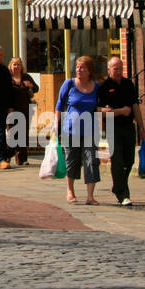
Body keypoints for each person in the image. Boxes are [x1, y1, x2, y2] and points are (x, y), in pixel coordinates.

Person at [98, 55, 145, 206]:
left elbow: (135, 106)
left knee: (129, 160)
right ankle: (123, 194)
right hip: (113, 127)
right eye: (115, 68)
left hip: (128, 126)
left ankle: (118, 186)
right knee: (117, 160)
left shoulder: (128, 84)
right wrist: (119, 111)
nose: (118, 71)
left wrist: (141, 127)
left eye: (120, 68)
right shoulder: (104, 86)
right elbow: (99, 110)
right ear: (109, 69)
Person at [56, 55, 104, 205]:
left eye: (82, 67)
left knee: (91, 161)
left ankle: (90, 196)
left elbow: (98, 107)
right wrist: (55, 124)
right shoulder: (69, 83)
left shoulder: (96, 87)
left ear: (89, 70)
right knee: (72, 161)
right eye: (77, 67)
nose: (79, 70)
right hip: (70, 130)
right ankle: (70, 191)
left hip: (90, 131)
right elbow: (59, 105)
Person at [9, 57, 39, 165]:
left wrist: (30, 85)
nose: (16, 67)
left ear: (22, 66)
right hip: (11, 110)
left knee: (23, 134)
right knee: (13, 134)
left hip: (25, 109)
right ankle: (7, 156)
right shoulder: (8, 78)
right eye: (14, 64)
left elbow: (36, 88)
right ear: (11, 66)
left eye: (18, 64)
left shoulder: (26, 77)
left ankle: (23, 159)